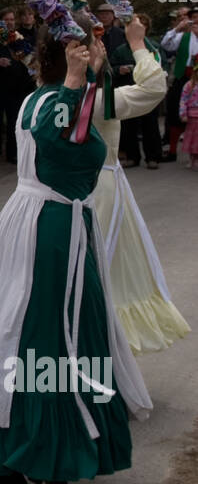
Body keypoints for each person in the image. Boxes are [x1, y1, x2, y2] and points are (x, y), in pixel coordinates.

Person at [0, 23, 152, 484]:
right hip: (49, 230)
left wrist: (89, 77)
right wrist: (76, 80)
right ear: (67, 54)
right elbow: (51, 137)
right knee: (41, 339)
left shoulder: (58, 98)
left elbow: (78, 130)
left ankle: (55, 455)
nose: (97, 51)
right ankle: (21, 458)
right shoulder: (48, 102)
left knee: (68, 337)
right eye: (87, 46)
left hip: (59, 225)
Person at [91, 17, 189, 351]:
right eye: (94, 43)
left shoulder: (42, 97)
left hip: (66, 193)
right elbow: (153, 87)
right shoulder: (95, 101)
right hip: (99, 193)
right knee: (108, 267)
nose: (102, 47)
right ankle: (97, 339)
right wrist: (136, 44)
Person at [109, 14, 163, 169]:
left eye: (143, 24)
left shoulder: (153, 47)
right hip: (128, 89)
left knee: (150, 126)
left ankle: (153, 157)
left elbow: (161, 66)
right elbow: (110, 68)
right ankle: (132, 156)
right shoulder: (121, 50)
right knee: (129, 127)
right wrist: (119, 70)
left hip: (146, 92)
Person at [0, 9, 32, 164]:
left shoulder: (18, 39)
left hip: (15, 88)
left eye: (12, 19)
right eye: (6, 19)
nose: (10, 22)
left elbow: (26, 61)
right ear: (0, 21)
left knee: (14, 122)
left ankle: (12, 153)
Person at [161, 7, 198, 159]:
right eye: (194, 17)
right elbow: (165, 44)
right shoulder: (183, 36)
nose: (196, 20)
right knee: (174, 111)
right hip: (183, 77)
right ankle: (172, 151)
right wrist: (177, 29)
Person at [179, 68, 198, 167]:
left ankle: (197, 159)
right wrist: (183, 114)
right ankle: (191, 159)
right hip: (192, 116)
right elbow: (183, 100)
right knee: (192, 139)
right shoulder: (189, 85)